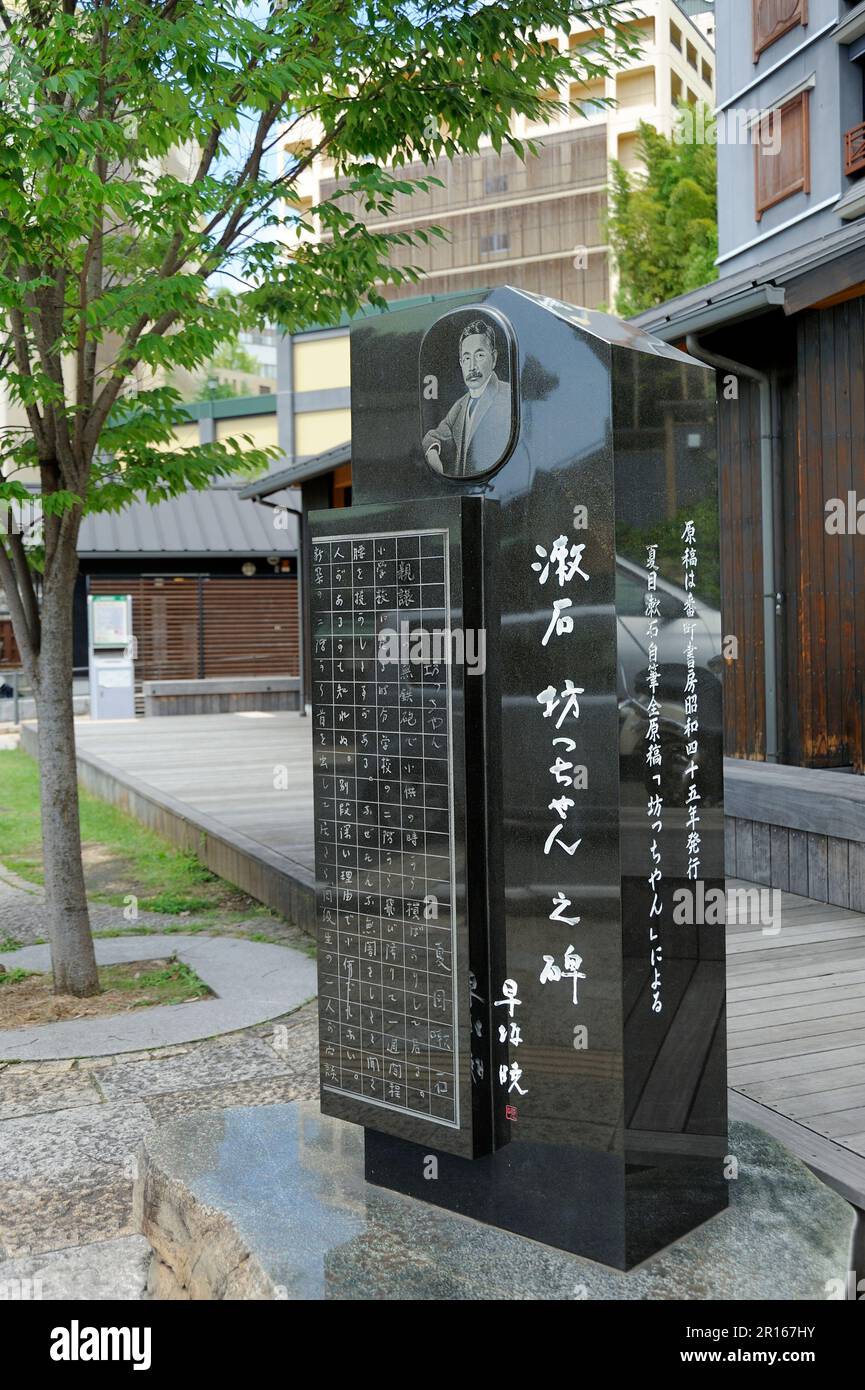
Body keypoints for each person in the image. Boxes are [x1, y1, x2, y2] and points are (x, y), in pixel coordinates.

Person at [423, 319, 511, 477]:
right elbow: (435, 435)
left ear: (494, 358)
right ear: (461, 363)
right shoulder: (460, 405)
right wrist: (433, 452)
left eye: (480, 355)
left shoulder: (508, 396)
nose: (472, 367)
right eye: (467, 358)